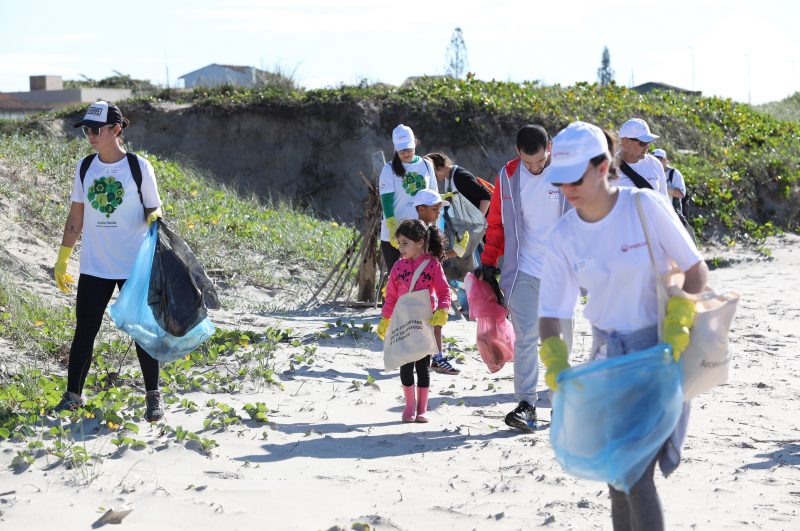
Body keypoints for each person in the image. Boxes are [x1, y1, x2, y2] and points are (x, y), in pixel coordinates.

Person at [537, 121, 708, 531]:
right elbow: (550, 314)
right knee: (616, 477)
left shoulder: (643, 206)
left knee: (635, 473)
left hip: (659, 352)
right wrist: (555, 361)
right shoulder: (563, 236)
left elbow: (695, 270)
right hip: (606, 361)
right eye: (559, 181)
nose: (567, 190)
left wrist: (679, 322)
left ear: (601, 167)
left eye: (574, 178)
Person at [52, 101, 166, 422]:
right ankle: (73, 396)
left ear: (116, 130)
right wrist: (63, 258)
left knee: (141, 331)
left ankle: (153, 396)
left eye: (96, 129)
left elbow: (153, 210)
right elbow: (76, 216)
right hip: (94, 266)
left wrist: (155, 219)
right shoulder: (85, 167)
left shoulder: (139, 167)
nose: (90, 135)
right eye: (86, 129)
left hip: (133, 265)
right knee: (85, 330)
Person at [475, 124, 573, 432]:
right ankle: (527, 405)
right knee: (527, 338)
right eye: (528, 162)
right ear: (519, 152)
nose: (534, 167)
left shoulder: (567, 172)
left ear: (550, 149)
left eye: (540, 162)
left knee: (558, 343)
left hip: (561, 273)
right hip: (523, 270)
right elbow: (497, 223)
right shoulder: (508, 175)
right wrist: (489, 263)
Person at [376, 219, 451, 423]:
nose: (400, 248)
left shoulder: (433, 264)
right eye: (399, 243)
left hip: (425, 322)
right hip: (403, 321)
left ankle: (422, 409)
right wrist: (385, 319)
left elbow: (444, 291)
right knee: (405, 364)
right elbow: (391, 296)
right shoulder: (398, 267)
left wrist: (443, 309)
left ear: (420, 242)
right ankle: (409, 406)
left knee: (422, 366)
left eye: (404, 243)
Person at [413, 189, 465, 376]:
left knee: (435, 322)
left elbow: (434, 258)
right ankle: (435, 358)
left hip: (431, 285)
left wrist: (455, 252)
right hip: (420, 287)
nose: (438, 213)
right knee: (430, 323)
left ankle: (436, 357)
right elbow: (416, 260)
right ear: (420, 209)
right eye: (434, 209)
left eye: (439, 209)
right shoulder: (416, 231)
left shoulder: (430, 229)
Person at [379, 124, 438, 274]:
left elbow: (433, 197)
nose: (405, 153)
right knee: (396, 280)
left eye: (409, 148)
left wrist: (434, 226)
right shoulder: (389, 169)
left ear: (415, 143)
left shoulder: (426, 165)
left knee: (418, 278)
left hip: (419, 233)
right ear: (395, 148)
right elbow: (386, 199)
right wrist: (392, 225)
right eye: (401, 149)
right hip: (394, 234)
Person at [616, 118, 669, 199]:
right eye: (642, 143)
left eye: (648, 142)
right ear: (625, 142)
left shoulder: (655, 163)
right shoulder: (608, 168)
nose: (647, 147)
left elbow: (664, 200)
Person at [426, 152, 491, 215]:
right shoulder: (448, 177)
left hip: (484, 222)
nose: (432, 177)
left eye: (432, 173)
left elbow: (485, 195)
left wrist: (480, 220)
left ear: (439, 169)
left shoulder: (460, 176)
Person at [652, 149, 687, 216]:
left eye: (659, 158)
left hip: (672, 215)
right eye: (654, 159)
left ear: (665, 160)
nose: (656, 161)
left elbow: (681, 194)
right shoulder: (650, 172)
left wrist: (661, 188)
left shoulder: (674, 173)